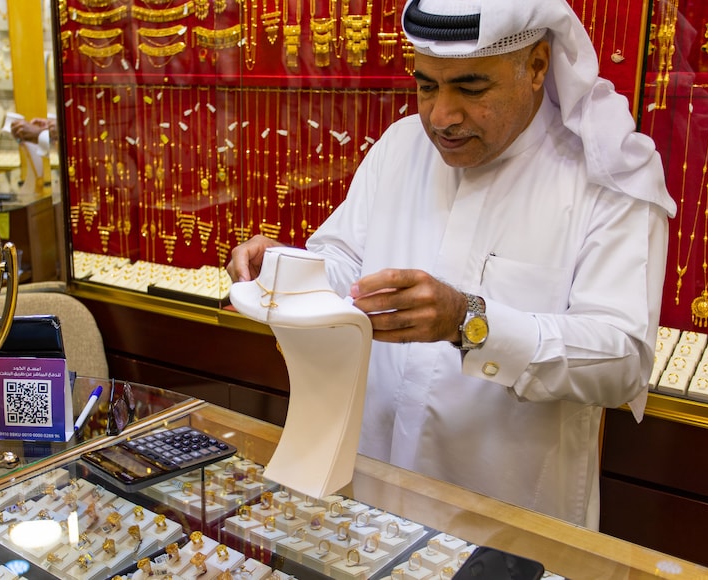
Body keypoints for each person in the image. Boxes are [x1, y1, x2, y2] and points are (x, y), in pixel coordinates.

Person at [227, 0, 675, 529]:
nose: (441, 116)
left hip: (506, 525)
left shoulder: (608, 180)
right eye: (426, 86)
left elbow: (621, 362)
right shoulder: (400, 147)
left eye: (470, 88)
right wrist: (287, 268)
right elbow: (346, 263)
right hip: (368, 501)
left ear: (536, 66)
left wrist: (469, 322)